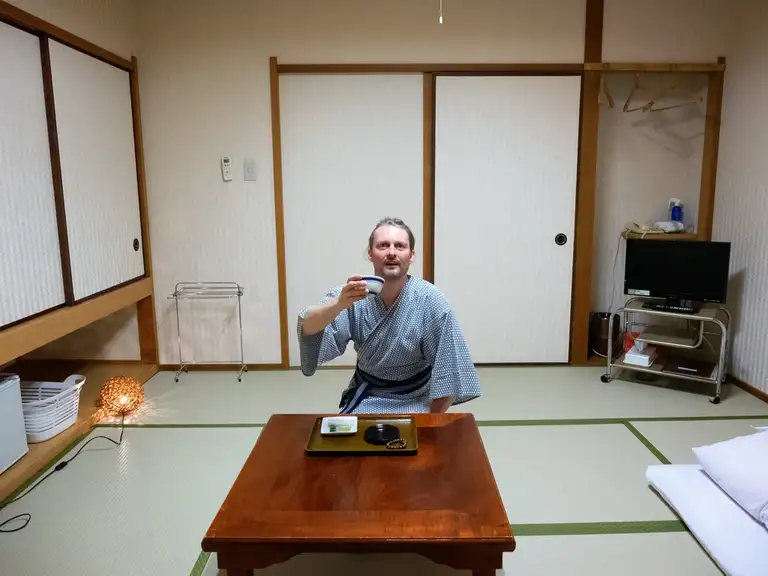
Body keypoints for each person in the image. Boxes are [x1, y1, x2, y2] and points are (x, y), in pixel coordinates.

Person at [297, 217, 481, 414]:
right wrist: (338, 304)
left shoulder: (431, 300)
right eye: (383, 246)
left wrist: (430, 422)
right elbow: (307, 325)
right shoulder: (351, 294)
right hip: (368, 396)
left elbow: (450, 372)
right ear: (370, 254)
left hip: (418, 398)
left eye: (400, 246)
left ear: (411, 255)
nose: (392, 252)